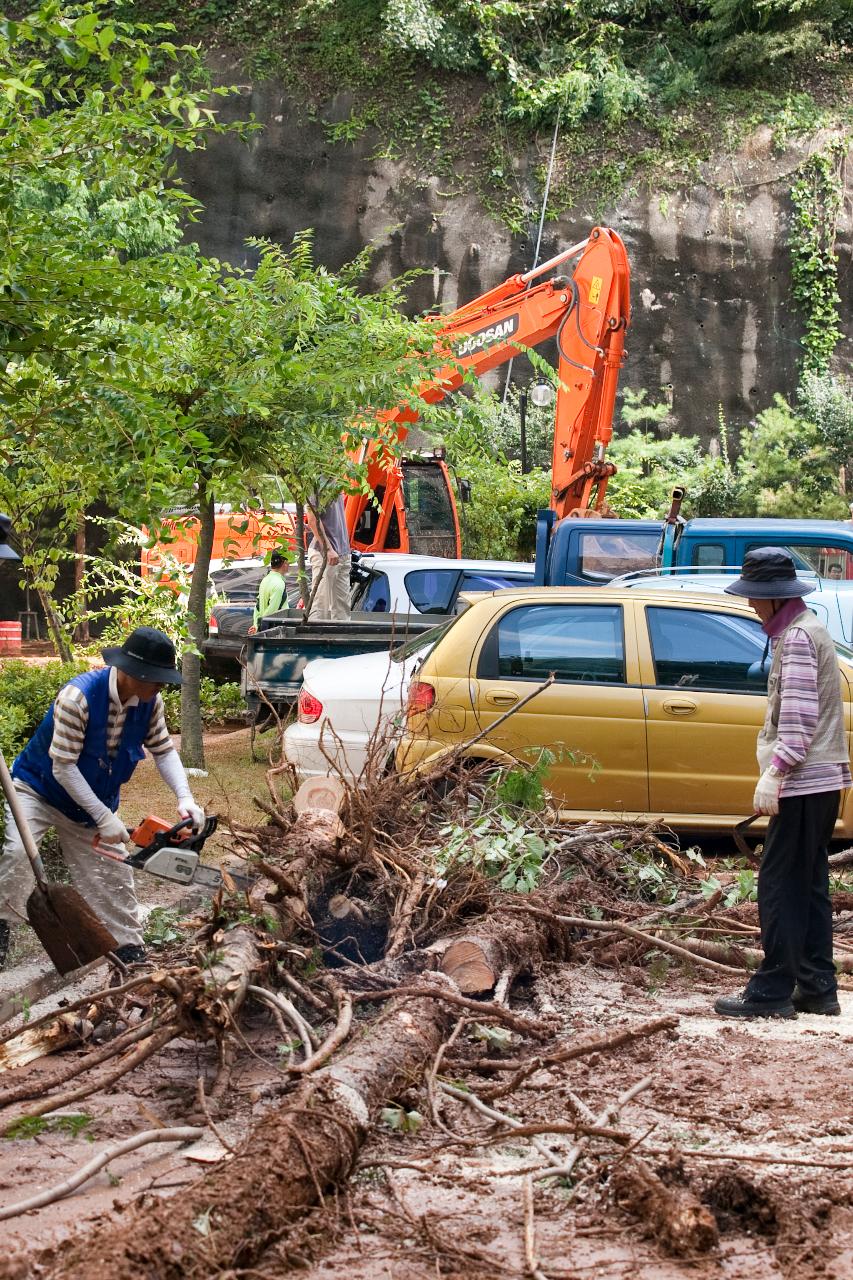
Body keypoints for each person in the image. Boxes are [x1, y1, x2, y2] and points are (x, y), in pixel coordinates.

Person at [0, 627, 204, 969]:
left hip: (90, 804)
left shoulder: (150, 702)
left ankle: (130, 951)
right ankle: (2, 926)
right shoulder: (75, 699)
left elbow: (164, 751)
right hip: (38, 791)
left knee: (114, 877)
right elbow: (63, 768)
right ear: (133, 672)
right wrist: (104, 817)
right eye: (156, 678)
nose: (160, 685)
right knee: (18, 855)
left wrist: (185, 798)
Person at [714, 547, 850, 1019]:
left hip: (804, 780)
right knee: (808, 884)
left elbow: (797, 720)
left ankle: (771, 991)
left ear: (774, 598)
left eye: (754, 598)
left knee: (778, 885)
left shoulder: (795, 638)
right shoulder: (809, 629)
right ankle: (817, 987)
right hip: (823, 781)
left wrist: (776, 772)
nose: (751, 606)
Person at [306, 491, 351, 621]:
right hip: (324, 553)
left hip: (342, 552)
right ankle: (316, 639)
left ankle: (340, 639)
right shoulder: (318, 483)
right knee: (320, 605)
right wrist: (328, 549)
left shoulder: (338, 483)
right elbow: (312, 520)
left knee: (342, 608)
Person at [248, 550, 289, 634]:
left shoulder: (265, 580)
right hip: (274, 630)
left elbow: (258, 606)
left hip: (265, 628)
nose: (289, 565)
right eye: (288, 562)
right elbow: (273, 611)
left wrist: (256, 625)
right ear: (284, 563)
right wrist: (260, 627)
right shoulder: (279, 583)